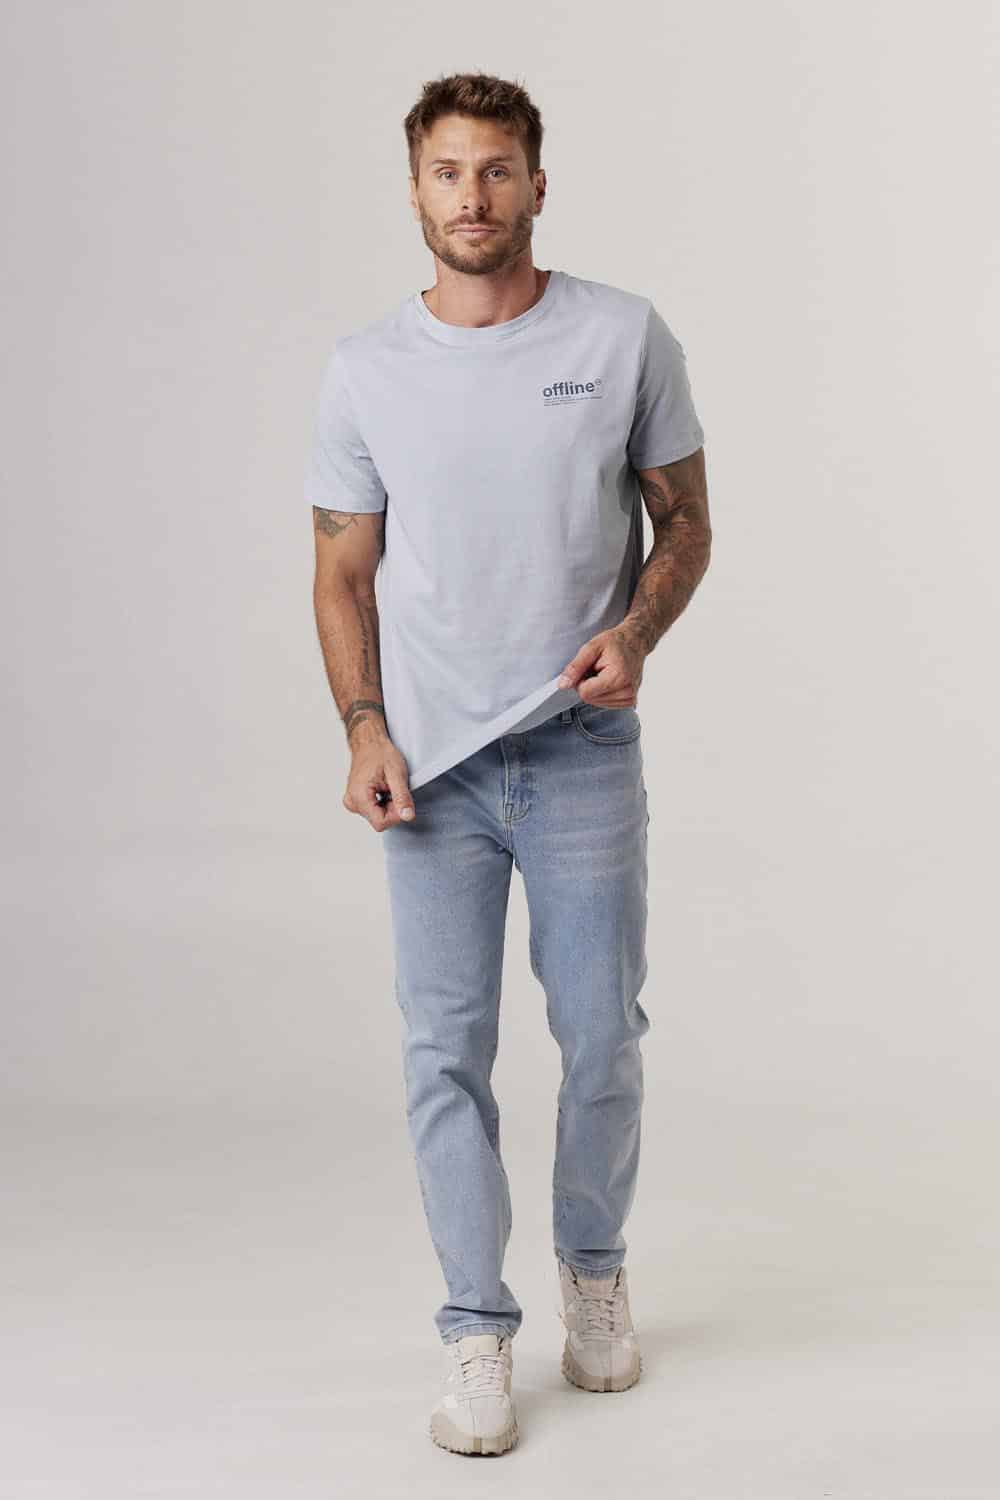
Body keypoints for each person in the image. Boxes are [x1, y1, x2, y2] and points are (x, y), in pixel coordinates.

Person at [305, 71, 711, 1457]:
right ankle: (475, 1329)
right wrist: (365, 727)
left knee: (602, 1036)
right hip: (431, 771)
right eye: (446, 172)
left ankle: (593, 1270)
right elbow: (341, 570)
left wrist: (635, 636)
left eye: (495, 171)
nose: (471, 197)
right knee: (445, 1054)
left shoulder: (622, 336)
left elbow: (686, 523)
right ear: (414, 191)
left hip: (581, 748)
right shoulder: (366, 368)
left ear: (538, 185)